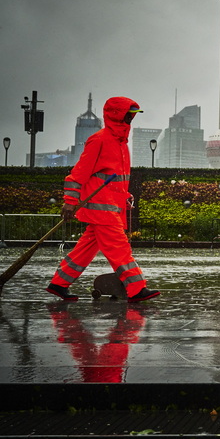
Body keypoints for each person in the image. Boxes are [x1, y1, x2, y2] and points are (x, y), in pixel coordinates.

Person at [46, 96, 160, 303]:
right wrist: (70, 202)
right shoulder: (99, 139)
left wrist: (124, 196)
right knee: (119, 248)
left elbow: (115, 179)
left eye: (134, 115)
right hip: (102, 210)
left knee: (85, 249)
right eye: (129, 114)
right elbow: (78, 174)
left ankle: (58, 284)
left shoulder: (121, 143)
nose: (132, 118)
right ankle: (136, 289)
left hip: (110, 207)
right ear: (118, 114)